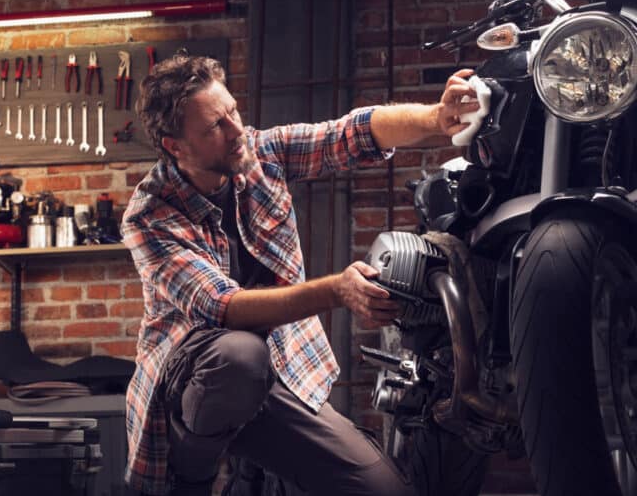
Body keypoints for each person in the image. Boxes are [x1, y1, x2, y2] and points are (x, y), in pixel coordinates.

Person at [121, 54, 478, 496]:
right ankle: (193, 482)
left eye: (232, 111)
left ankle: (252, 466)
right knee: (239, 356)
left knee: (385, 490)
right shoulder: (150, 214)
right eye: (215, 126)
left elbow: (350, 133)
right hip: (195, 385)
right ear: (176, 146)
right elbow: (224, 308)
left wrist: (435, 116)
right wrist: (338, 289)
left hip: (274, 374)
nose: (236, 131)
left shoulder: (258, 154)